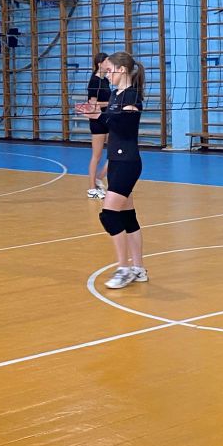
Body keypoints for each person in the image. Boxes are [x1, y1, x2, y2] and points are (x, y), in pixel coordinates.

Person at [90, 51, 148, 289]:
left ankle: (123, 269)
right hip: (116, 161)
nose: (107, 75)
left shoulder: (132, 96)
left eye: (110, 70)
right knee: (127, 217)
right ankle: (138, 269)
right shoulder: (116, 95)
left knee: (109, 215)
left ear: (122, 70)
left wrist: (100, 116)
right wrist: (105, 167)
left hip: (128, 163)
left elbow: (125, 128)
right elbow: (112, 129)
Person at [77, 52, 110, 199]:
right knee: (97, 155)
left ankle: (99, 178)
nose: (109, 64)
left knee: (114, 152)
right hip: (97, 121)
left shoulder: (106, 80)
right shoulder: (94, 81)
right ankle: (91, 189)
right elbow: (92, 105)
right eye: (107, 61)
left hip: (108, 119)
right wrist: (110, 103)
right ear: (100, 63)